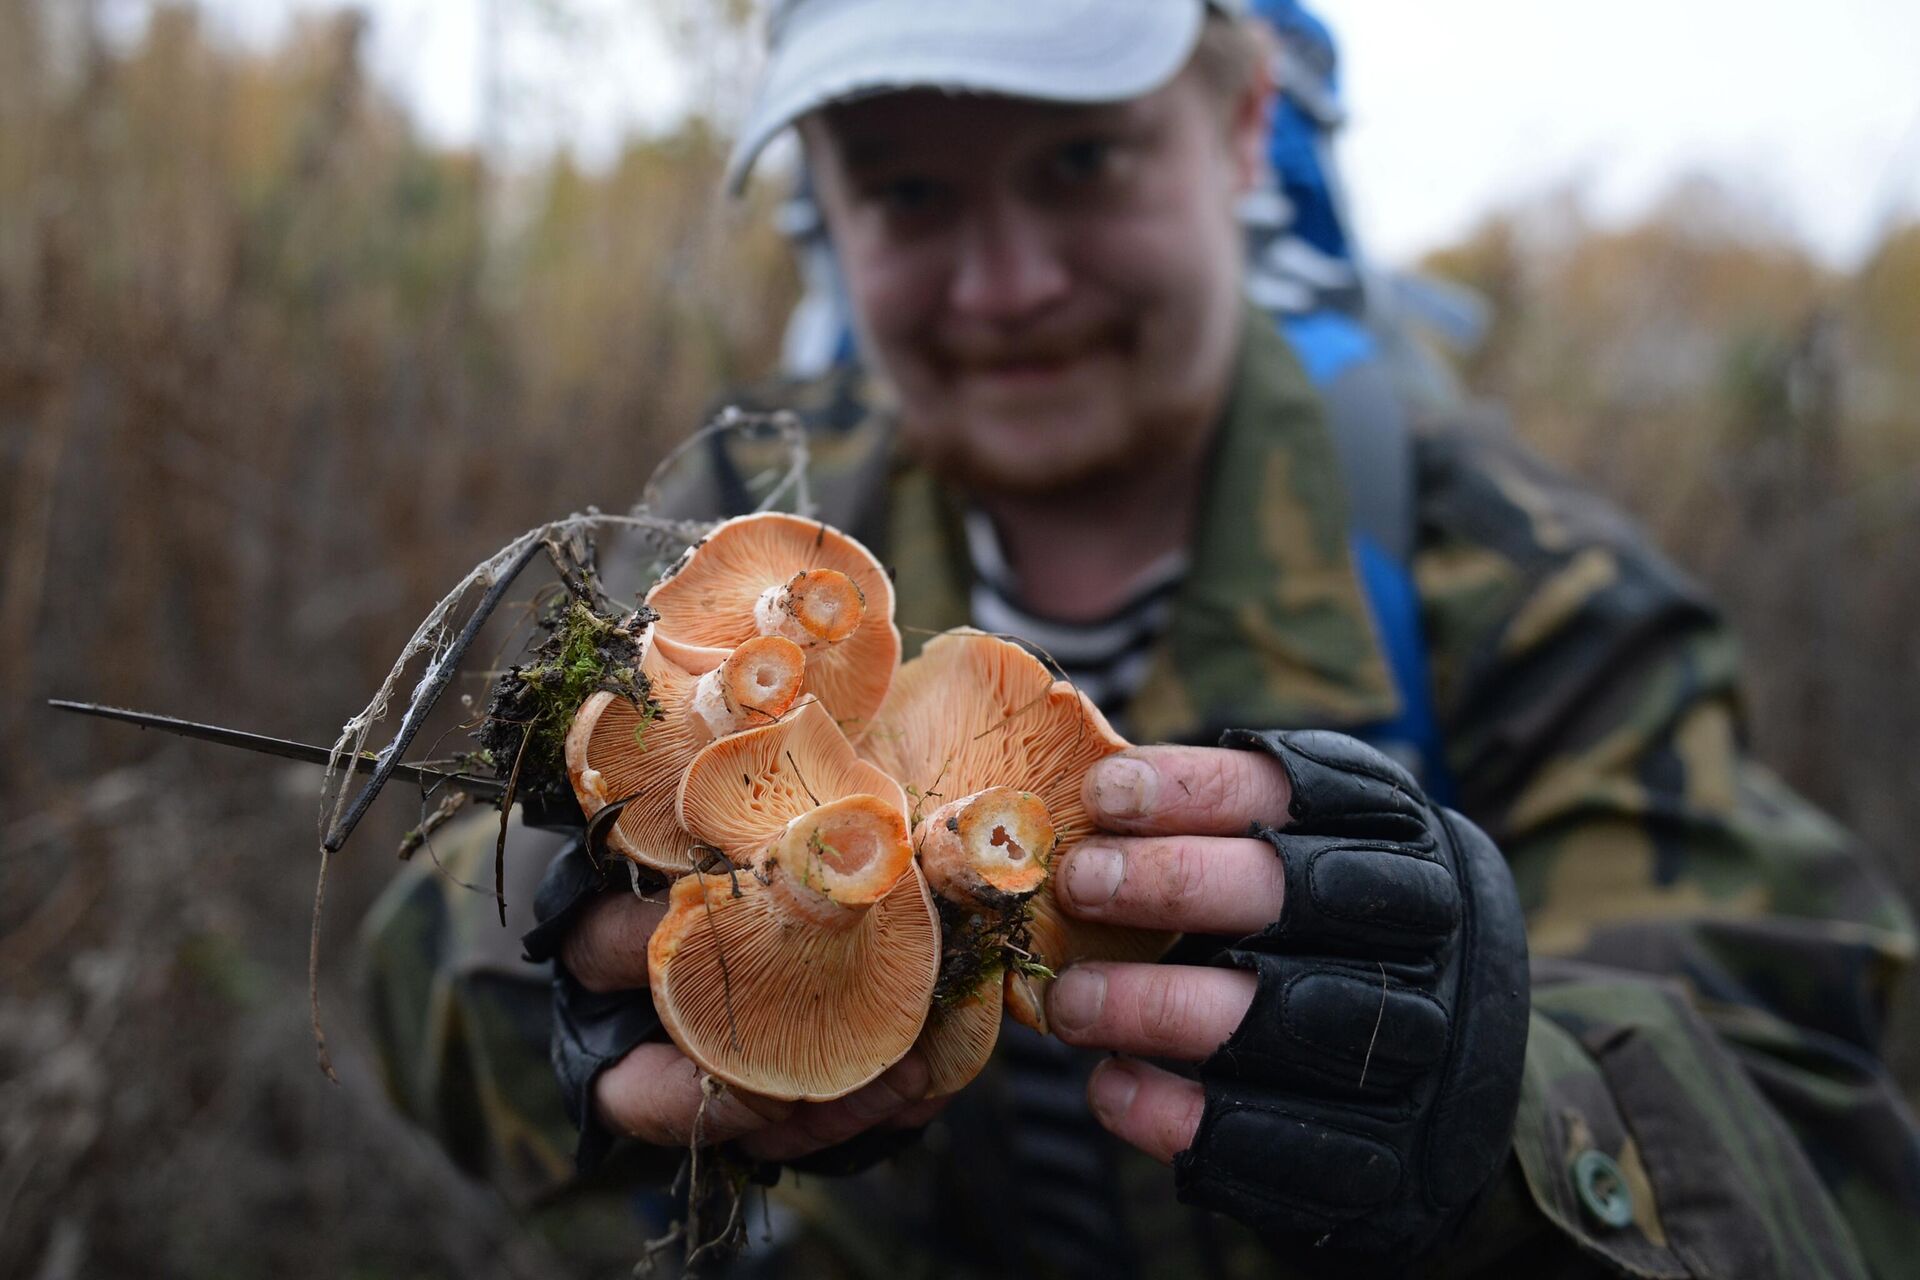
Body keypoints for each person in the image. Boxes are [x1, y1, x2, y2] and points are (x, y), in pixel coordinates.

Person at [360, 2, 1920, 1276]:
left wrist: (1504, 1104)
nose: (1008, 283)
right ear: (822, 212)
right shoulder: (738, 533)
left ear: (1243, 133)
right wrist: (571, 1003)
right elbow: (416, 955)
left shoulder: (1524, 590)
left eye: (1084, 161)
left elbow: (1826, 1148)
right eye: (908, 191)